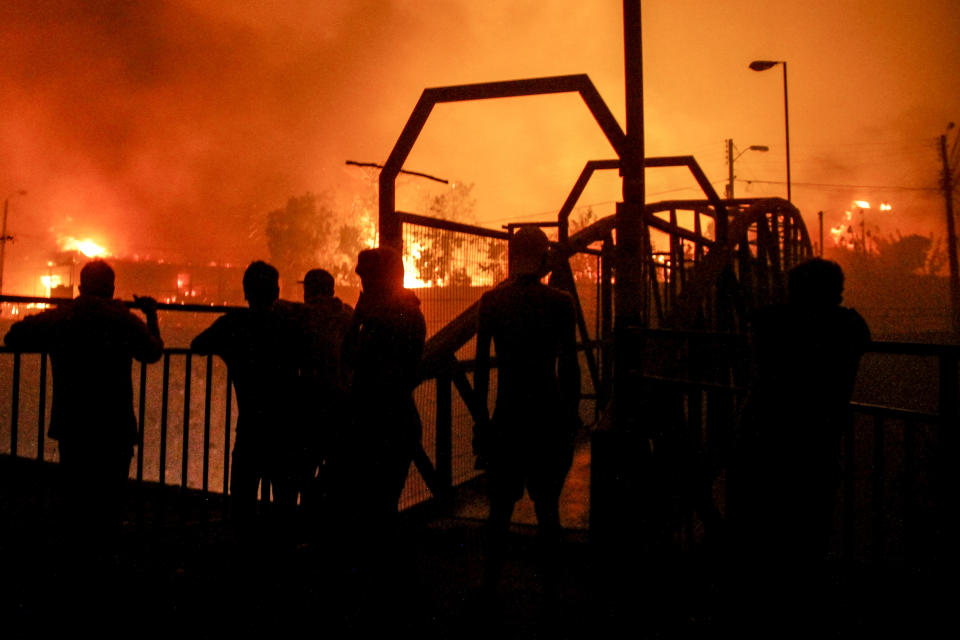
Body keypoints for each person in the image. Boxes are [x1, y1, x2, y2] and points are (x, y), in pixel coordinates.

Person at [726, 257, 870, 630]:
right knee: (809, 526)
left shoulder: (769, 321)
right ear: (835, 291)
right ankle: (804, 609)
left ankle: (754, 609)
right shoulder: (848, 326)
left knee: (759, 528)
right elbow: (858, 332)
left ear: (792, 290)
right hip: (816, 439)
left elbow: (756, 330)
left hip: (760, 435)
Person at [3, 259, 163, 559]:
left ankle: (75, 569)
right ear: (112, 288)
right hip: (115, 427)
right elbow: (152, 352)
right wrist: (151, 315)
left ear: (80, 287)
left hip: (74, 424)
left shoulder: (64, 317)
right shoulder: (123, 319)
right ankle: (104, 567)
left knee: (76, 502)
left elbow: (13, 337)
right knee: (109, 504)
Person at [473, 226, 581, 599]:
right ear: (545, 256)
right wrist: (571, 413)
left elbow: (485, 370)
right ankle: (552, 589)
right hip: (548, 413)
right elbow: (569, 365)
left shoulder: (491, 302)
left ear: (512, 255)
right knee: (548, 509)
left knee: (500, 510)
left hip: (508, 414)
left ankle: (489, 586)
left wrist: (481, 422)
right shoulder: (561, 302)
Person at [191, 261, 306, 545]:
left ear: (245, 292)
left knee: (243, 494)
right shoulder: (290, 324)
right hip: (287, 424)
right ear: (276, 291)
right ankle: (282, 558)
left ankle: (246, 557)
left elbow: (198, 345)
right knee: (285, 497)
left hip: (253, 423)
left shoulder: (234, 323)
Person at [294, 268, 353, 516]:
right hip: (342, 402)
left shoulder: (302, 315)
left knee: (305, 468)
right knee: (338, 463)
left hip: (311, 403)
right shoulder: (348, 314)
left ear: (309, 290)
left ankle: (308, 518)